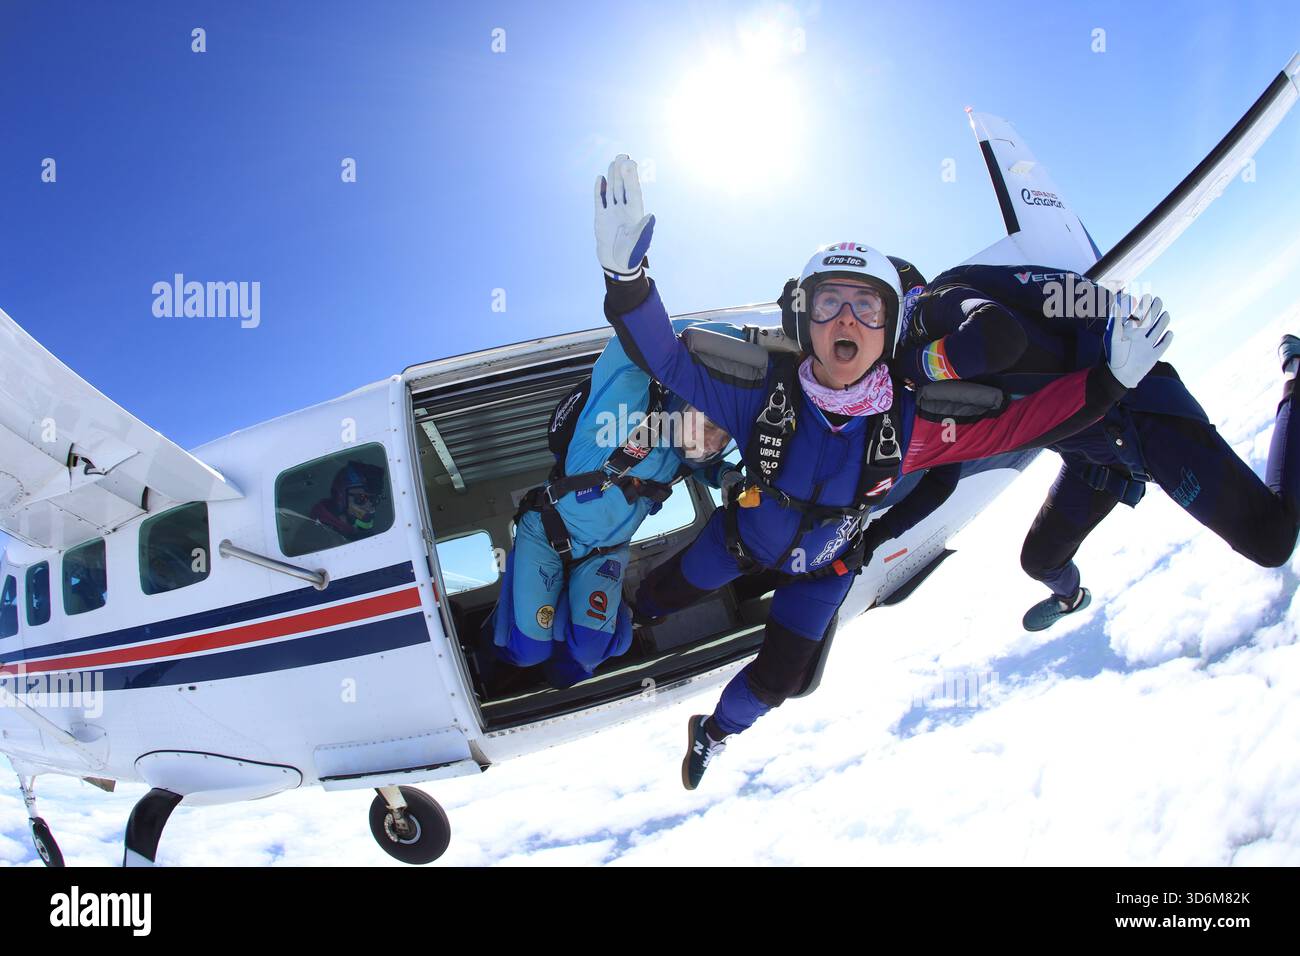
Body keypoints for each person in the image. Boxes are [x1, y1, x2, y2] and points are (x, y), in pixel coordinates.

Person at [593, 154, 1172, 788]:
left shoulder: (910, 425)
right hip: (740, 538)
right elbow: (668, 361)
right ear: (803, 322)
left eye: (867, 307)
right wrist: (627, 280)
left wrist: (1111, 381)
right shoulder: (764, 397)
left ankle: (714, 733)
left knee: (782, 678)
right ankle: (624, 627)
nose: (846, 319)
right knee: (665, 593)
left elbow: (1021, 426)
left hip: (824, 569)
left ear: (892, 327)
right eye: (830, 304)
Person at [893, 264, 1300, 631]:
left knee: (1270, 541)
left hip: (1139, 413)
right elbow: (945, 470)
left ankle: (1295, 371)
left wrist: (1116, 338)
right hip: (1093, 456)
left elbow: (1054, 290)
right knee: (1039, 562)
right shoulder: (918, 379)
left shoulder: (955, 293)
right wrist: (875, 536)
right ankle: (1072, 599)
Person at [481, 325, 737, 690]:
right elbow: (629, 343)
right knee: (527, 651)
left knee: (587, 655)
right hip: (548, 533)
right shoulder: (625, 412)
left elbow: (706, 466)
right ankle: (496, 637)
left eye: (723, 439)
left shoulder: (687, 451)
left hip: (604, 553)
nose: (710, 443)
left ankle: (560, 679)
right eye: (710, 424)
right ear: (683, 400)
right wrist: (722, 340)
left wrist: (726, 475)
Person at [311, 461, 387, 542]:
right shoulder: (316, 535)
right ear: (340, 497)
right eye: (361, 498)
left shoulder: (353, 533)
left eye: (374, 499)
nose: (370, 508)